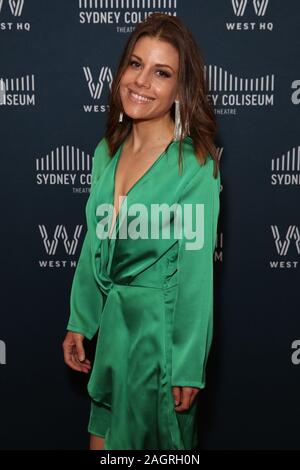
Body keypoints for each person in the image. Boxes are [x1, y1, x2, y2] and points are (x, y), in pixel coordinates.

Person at [62, 12, 221, 450]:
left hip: (160, 345)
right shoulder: (106, 151)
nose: (142, 81)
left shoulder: (195, 166)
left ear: (179, 89)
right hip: (114, 331)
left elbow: (195, 275)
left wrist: (187, 364)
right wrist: (82, 317)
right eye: (135, 64)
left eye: (161, 72)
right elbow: (95, 243)